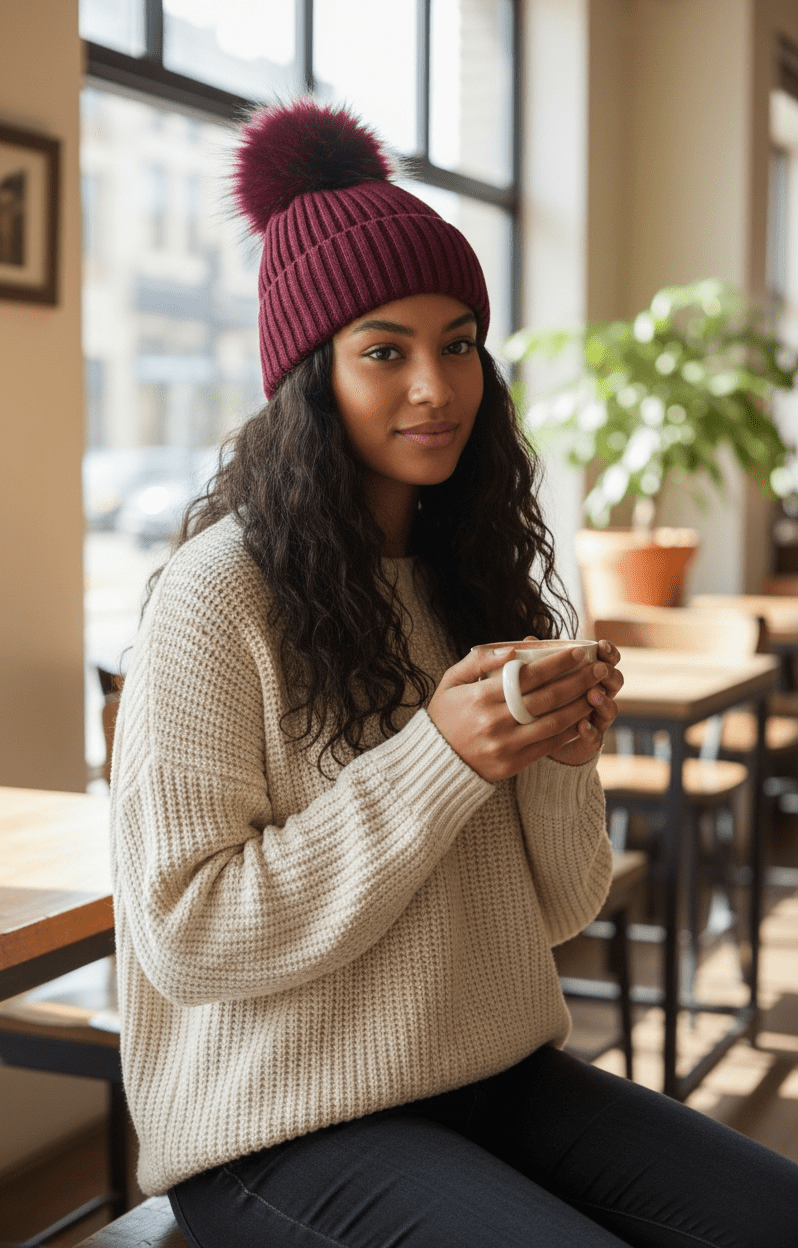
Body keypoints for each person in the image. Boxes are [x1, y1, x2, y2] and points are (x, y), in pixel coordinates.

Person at [109, 100, 798, 1248]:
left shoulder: (480, 576)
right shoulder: (216, 594)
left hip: (489, 1074)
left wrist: (559, 759)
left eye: (460, 343)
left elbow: (562, 909)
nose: (435, 386)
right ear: (310, 376)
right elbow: (189, 936)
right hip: (277, 1121)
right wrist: (440, 758)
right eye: (384, 351)